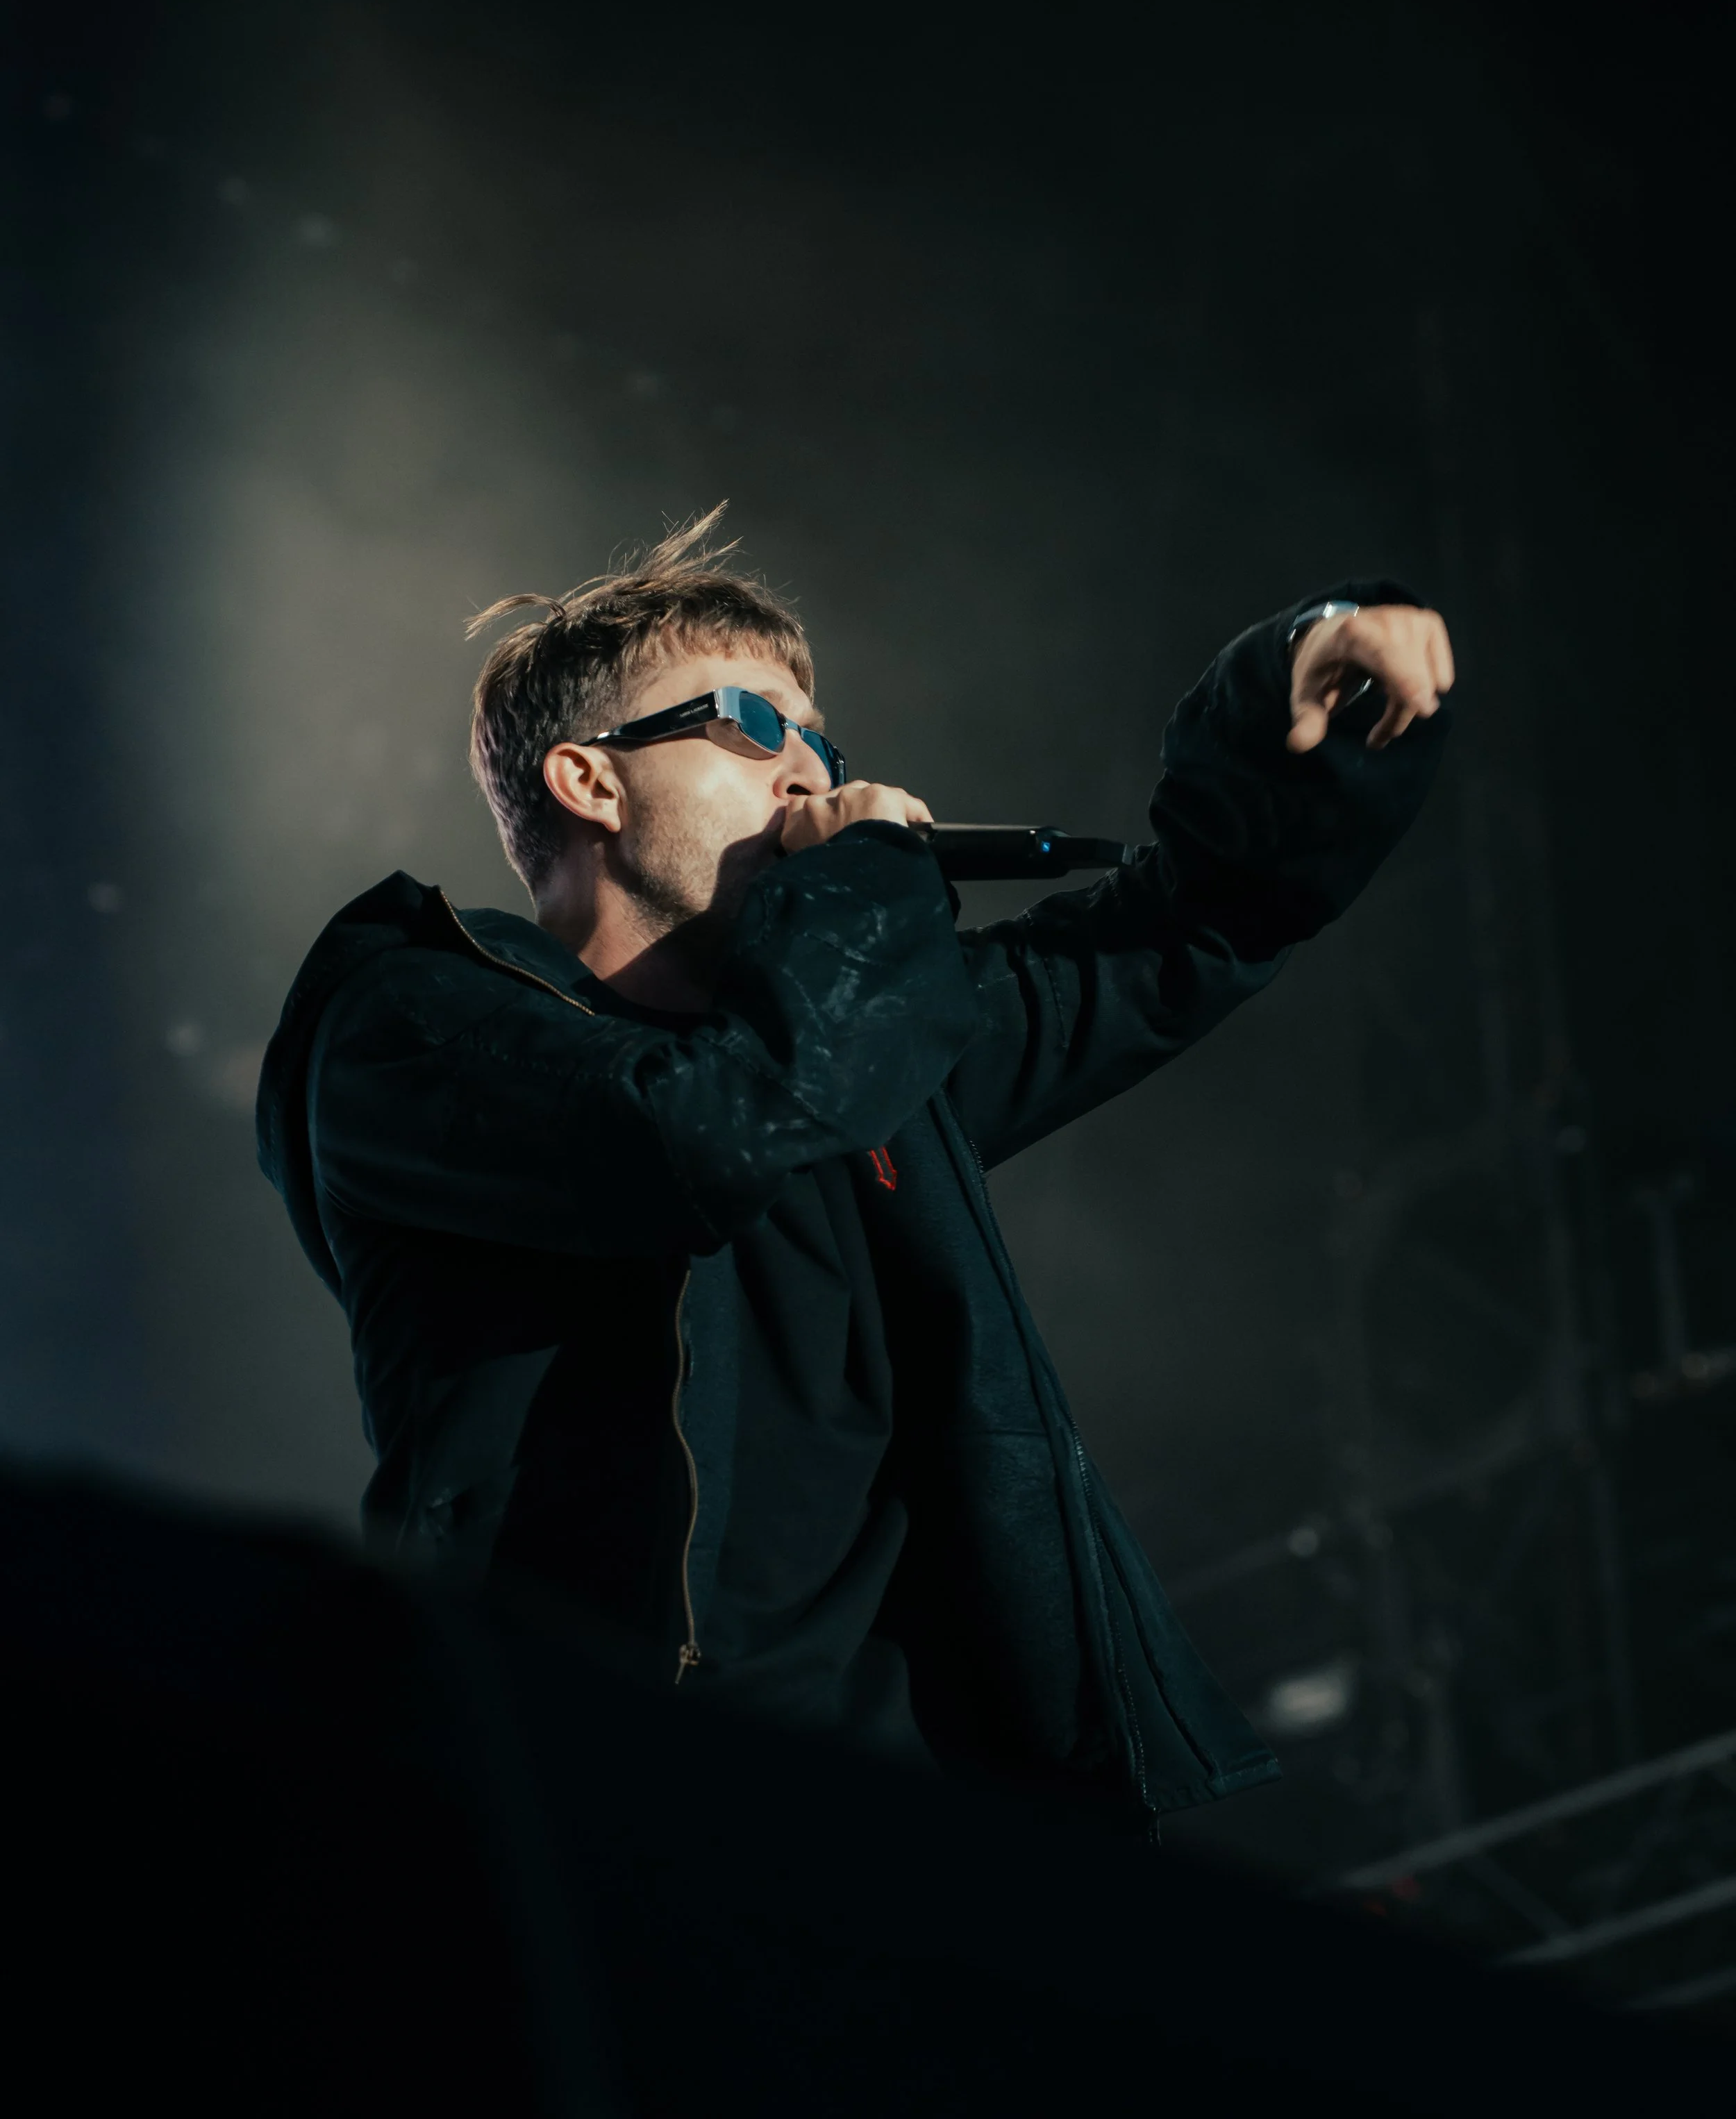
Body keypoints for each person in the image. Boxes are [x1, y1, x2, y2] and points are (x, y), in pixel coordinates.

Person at [257, 507, 1453, 1829]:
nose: (808, 777)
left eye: (822, 743)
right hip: (615, 1819)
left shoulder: (867, 1055)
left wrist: (1309, 684)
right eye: (756, 727)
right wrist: (870, 883)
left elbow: (1183, 927)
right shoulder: (412, 1020)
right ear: (590, 782)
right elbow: (703, 1134)